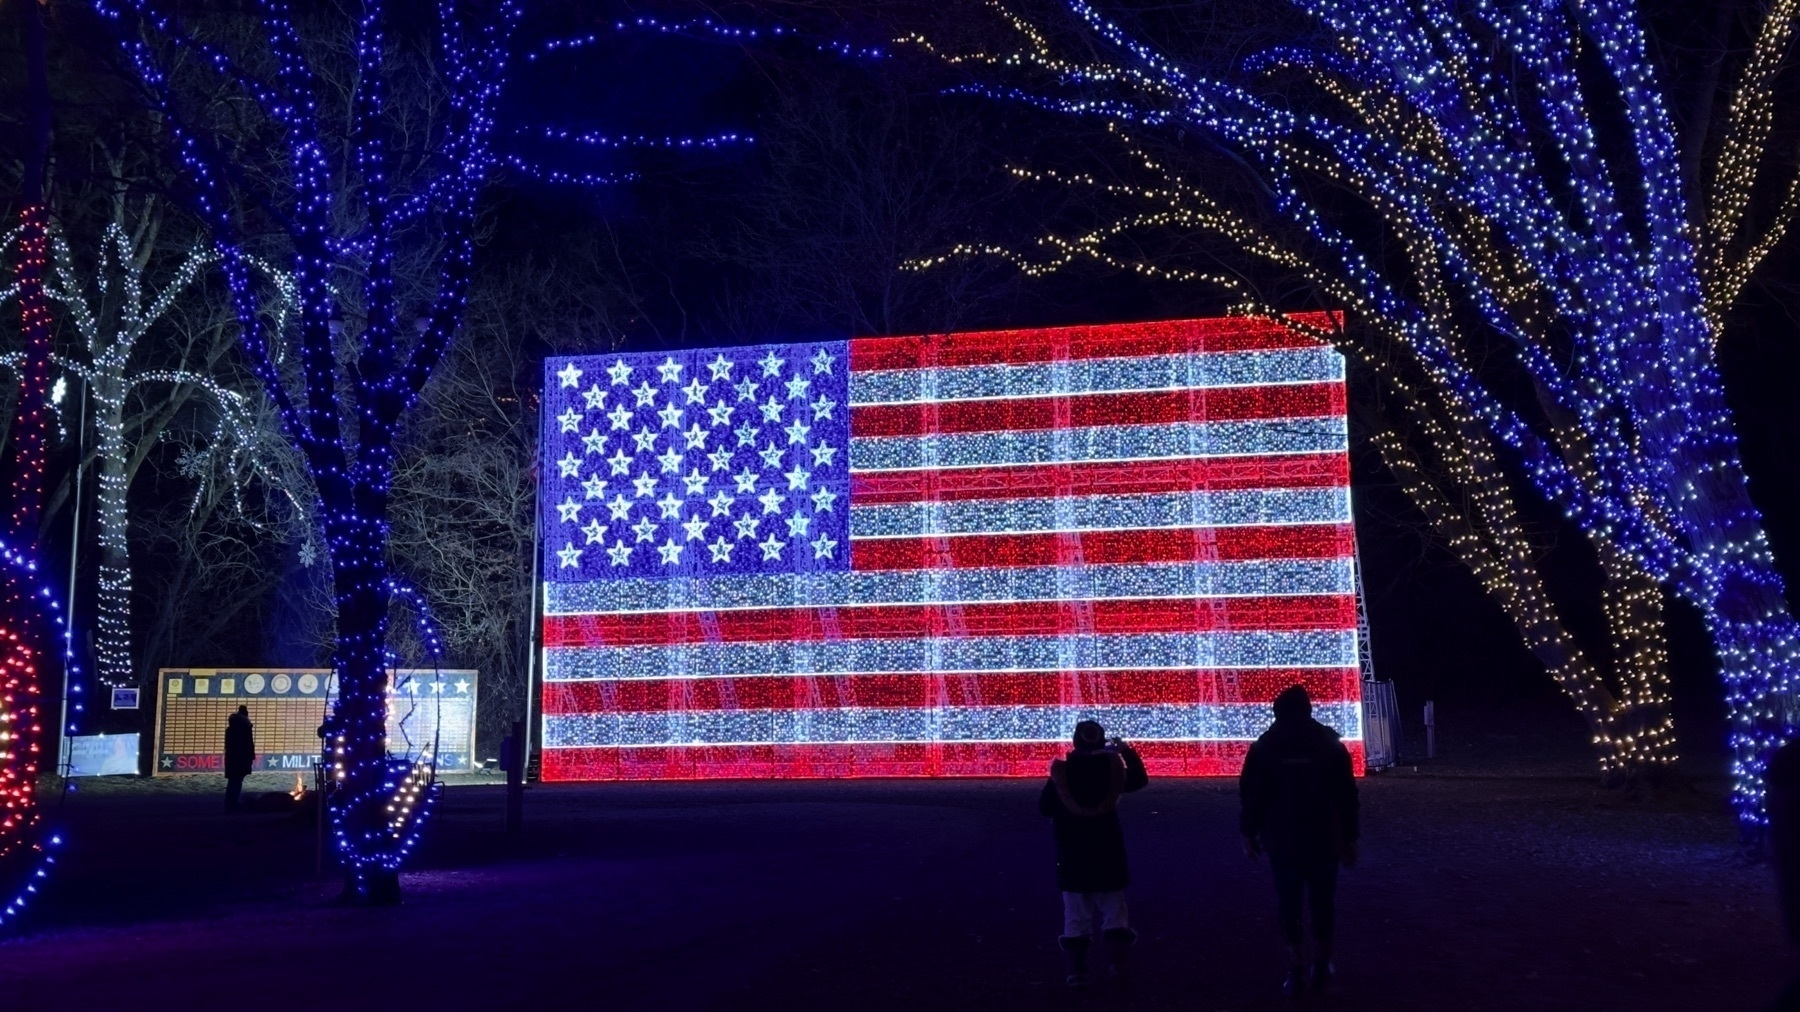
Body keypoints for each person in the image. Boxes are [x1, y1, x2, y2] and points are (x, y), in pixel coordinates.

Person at [1240, 684, 1360, 996]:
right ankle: (1322, 963)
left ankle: (1295, 968)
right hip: (1323, 836)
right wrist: (1349, 836)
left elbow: (1253, 795)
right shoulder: (1329, 742)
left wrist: (1249, 831)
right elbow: (1346, 795)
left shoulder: (1265, 745)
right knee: (1323, 902)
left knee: (1288, 903)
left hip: (1283, 838)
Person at [1038, 720, 1149, 987]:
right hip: (1107, 854)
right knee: (1115, 913)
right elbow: (1139, 779)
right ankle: (1117, 966)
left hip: (1072, 856)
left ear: (1076, 741)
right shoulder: (1112, 771)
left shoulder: (1062, 773)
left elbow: (1044, 807)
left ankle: (1076, 972)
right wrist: (1125, 750)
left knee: (1076, 917)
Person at [224, 705, 255, 812]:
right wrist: (250, 757)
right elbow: (247, 746)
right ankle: (233, 803)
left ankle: (230, 802)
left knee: (233, 781)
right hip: (241, 759)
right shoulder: (244, 730)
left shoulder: (231, 730)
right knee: (236, 781)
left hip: (233, 759)